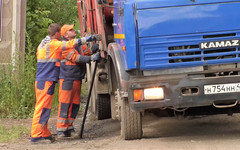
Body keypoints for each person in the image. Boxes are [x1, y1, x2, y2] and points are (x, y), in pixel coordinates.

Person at [31, 23, 99, 144]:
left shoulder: (44, 43)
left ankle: (44, 132)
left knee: (45, 108)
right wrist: (87, 40)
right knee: (42, 108)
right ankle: (36, 136)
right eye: (71, 30)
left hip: (47, 79)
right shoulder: (53, 44)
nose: (74, 31)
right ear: (58, 33)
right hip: (48, 79)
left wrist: (91, 51)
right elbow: (69, 47)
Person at [56, 24, 101, 138]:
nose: (73, 30)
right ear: (65, 34)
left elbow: (86, 51)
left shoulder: (76, 44)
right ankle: (61, 129)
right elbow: (76, 58)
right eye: (70, 30)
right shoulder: (64, 46)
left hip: (76, 78)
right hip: (67, 78)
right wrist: (91, 58)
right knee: (65, 103)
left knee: (75, 104)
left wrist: (96, 46)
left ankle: (69, 126)